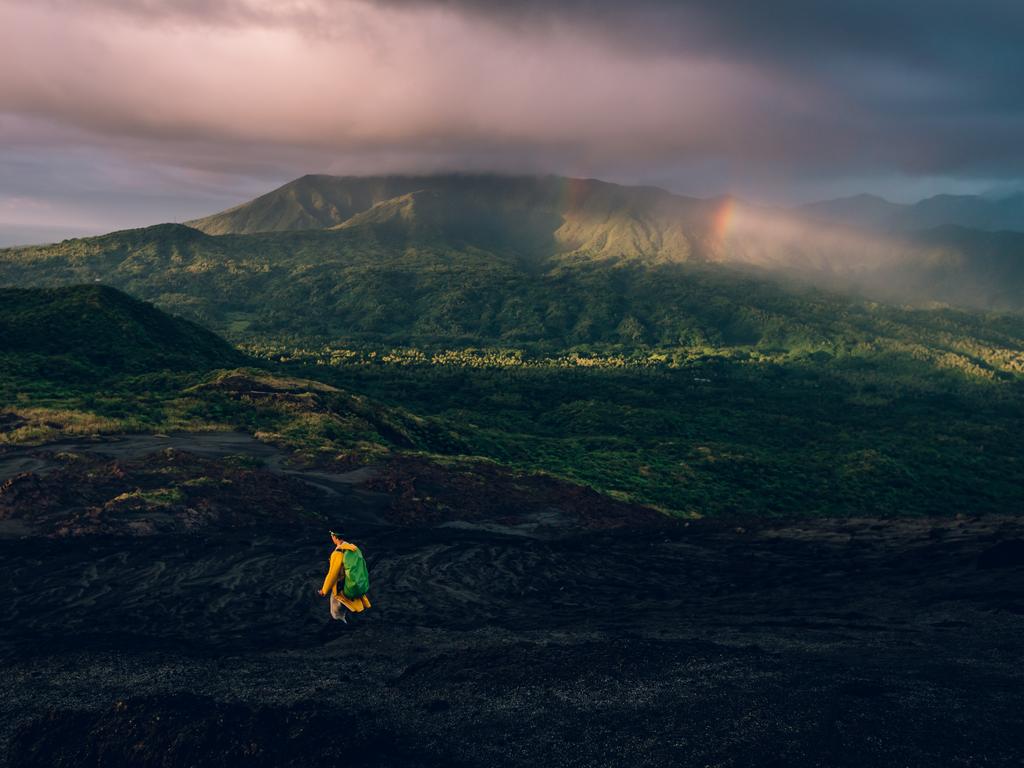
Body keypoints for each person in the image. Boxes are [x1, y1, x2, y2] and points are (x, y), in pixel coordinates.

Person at [318, 530, 371, 624]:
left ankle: (342, 623)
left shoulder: (338, 553)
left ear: (334, 537)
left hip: (342, 587)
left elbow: (332, 574)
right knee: (351, 605)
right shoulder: (354, 549)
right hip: (355, 583)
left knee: (335, 611)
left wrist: (324, 590)